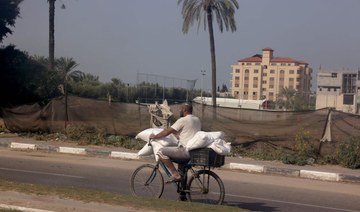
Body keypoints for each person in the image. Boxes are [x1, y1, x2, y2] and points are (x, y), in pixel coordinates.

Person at [149, 102, 201, 184]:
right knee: (182, 170)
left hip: (184, 151)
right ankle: (183, 194)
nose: (179, 110)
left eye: (180, 109)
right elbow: (189, 133)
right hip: (194, 151)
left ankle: (175, 174)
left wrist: (155, 136)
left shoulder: (183, 120)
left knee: (161, 151)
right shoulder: (197, 120)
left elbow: (166, 132)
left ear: (184, 110)